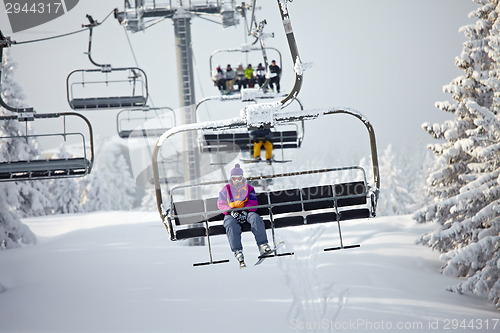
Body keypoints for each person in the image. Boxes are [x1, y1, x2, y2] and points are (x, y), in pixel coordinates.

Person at [217, 164, 271, 266]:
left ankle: (262, 244)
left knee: (255, 218)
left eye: (239, 178)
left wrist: (246, 211)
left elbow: (253, 202)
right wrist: (231, 211)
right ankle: (237, 250)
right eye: (234, 178)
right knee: (229, 223)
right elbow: (221, 203)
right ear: (231, 178)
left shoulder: (249, 188)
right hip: (232, 214)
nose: (237, 181)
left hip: (246, 212)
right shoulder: (226, 189)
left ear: (242, 178)